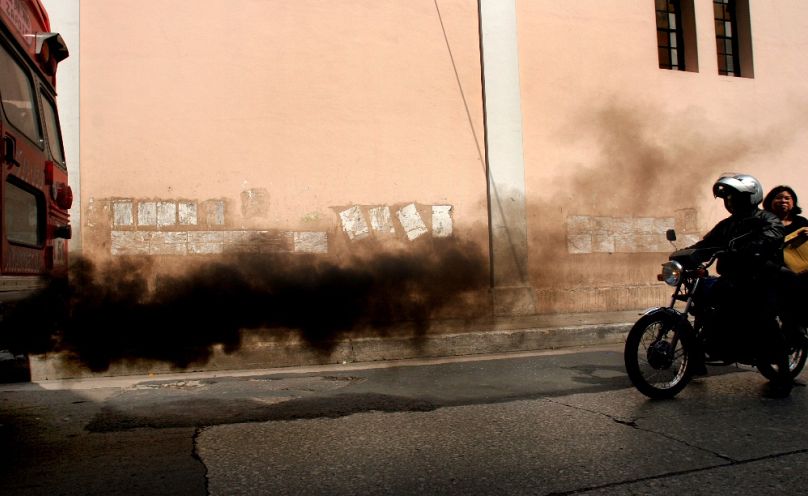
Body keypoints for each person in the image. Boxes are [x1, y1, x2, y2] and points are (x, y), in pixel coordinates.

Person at [689, 174, 792, 393]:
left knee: (765, 321)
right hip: (733, 280)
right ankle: (702, 352)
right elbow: (707, 243)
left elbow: (769, 238)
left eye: (735, 197)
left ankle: (784, 378)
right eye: (727, 198)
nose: (730, 202)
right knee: (702, 302)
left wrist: (751, 249)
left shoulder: (768, 220)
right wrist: (685, 255)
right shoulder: (727, 224)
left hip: (762, 280)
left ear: (751, 197)